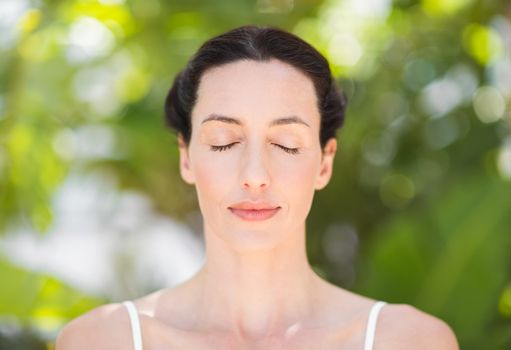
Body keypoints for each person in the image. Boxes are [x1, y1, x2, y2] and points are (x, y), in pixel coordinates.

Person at [56, 24, 459, 349]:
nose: (255, 174)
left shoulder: (407, 341)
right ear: (186, 157)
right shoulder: (103, 341)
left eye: (286, 144)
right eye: (224, 142)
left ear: (325, 163)